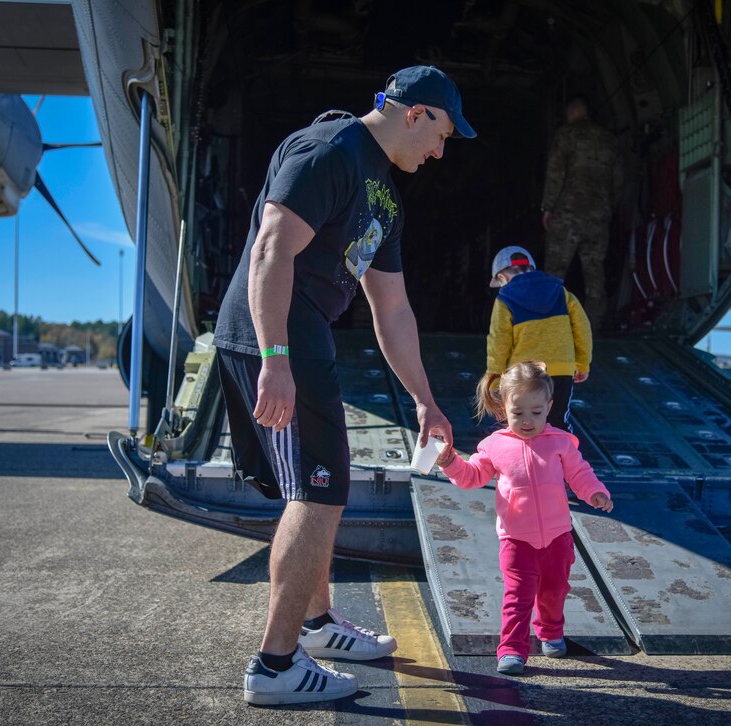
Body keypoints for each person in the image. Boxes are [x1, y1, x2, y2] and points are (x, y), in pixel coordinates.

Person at [212, 65, 476, 706]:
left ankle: (318, 625)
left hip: (304, 338)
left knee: (317, 486)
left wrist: (425, 399)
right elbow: (272, 249)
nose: (441, 151)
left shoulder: (383, 196)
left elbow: (392, 311)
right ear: (414, 113)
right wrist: (276, 356)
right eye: (441, 133)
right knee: (320, 491)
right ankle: (275, 667)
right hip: (275, 335)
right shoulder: (328, 151)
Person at [434, 360, 613, 675]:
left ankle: (550, 630)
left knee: (555, 591)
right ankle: (512, 650)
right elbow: (471, 476)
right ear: (504, 409)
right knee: (518, 597)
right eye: (518, 413)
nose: (527, 420)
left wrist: (594, 492)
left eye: (536, 412)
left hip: (558, 536)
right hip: (516, 539)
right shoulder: (494, 446)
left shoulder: (560, 442)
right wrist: (450, 461)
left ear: (549, 407)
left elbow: (579, 473)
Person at [485, 245, 591, 432]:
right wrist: (582, 364)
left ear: (502, 277)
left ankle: (524, 461)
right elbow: (582, 329)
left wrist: (494, 379)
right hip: (562, 370)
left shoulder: (505, 298)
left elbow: (498, 343)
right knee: (558, 423)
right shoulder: (561, 292)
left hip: (524, 374)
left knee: (523, 425)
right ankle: (564, 460)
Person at [540, 96, 621, 325]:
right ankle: (594, 327)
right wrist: (607, 207)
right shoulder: (609, 141)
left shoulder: (567, 135)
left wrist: (547, 206)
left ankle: (548, 324)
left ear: (571, 113)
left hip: (568, 213)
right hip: (599, 216)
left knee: (555, 271)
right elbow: (619, 180)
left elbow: (555, 172)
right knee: (595, 272)